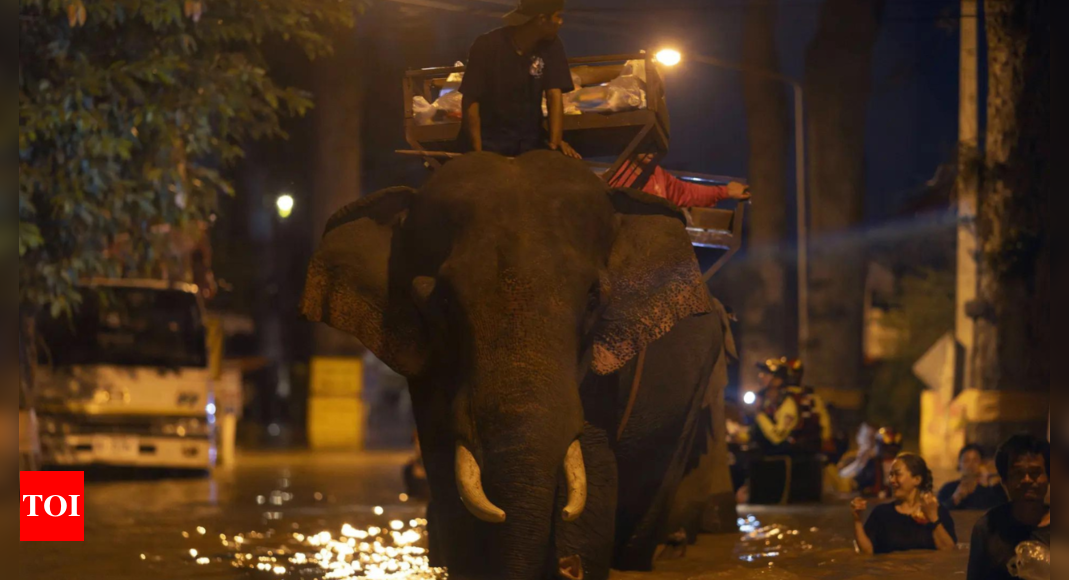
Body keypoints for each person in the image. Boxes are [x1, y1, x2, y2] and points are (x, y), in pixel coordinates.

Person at [460, 0, 580, 158]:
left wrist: (555, 143)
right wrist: (478, 153)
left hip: (529, 142)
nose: (561, 22)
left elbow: (554, 94)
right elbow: (470, 100)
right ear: (542, 19)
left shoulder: (551, 46)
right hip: (490, 141)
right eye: (558, 16)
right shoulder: (487, 45)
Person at [968, 434, 1051, 580]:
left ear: (1049, 478)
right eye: (1018, 473)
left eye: (1035, 473)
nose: (1027, 480)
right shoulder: (988, 528)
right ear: (1004, 481)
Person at [851, 453, 957, 555]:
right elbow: (867, 552)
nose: (891, 480)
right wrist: (857, 520)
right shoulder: (881, 514)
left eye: (897, 474)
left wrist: (933, 517)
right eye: (890, 475)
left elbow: (948, 551)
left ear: (917, 479)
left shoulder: (937, 512)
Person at [612, 154, 752, 208]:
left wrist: (725, 191)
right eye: (645, 142)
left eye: (655, 144)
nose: (651, 151)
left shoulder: (657, 173)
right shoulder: (616, 177)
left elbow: (685, 192)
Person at [938, 444, 1009, 511]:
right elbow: (937, 513)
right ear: (959, 464)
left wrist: (989, 485)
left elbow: (1004, 509)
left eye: (975, 460)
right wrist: (955, 499)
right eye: (966, 461)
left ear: (981, 463)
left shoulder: (991, 489)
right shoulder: (948, 489)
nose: (970, 464)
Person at [854, 428, 904, 499]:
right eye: (887, 448)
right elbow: (861, 482)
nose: (889, 452)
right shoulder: (873, 463)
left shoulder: (904, 463)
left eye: (893, 448)